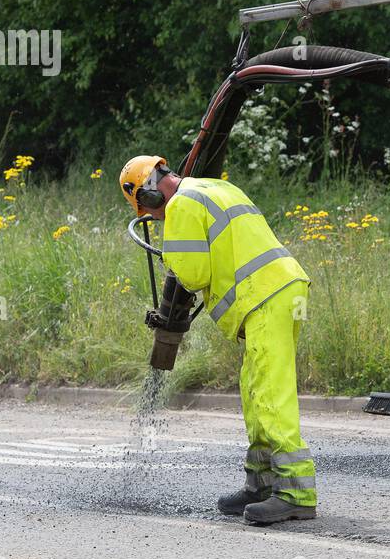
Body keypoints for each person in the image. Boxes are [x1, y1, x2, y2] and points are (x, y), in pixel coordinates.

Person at [119, 155, 316, 525]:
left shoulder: (181, 206)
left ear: (148, 195)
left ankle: (296, 493)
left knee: (271, 394)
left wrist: (171, 257)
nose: (154, 217)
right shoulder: (213, 186)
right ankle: (260, 482)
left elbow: (193, 275)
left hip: (266, 296)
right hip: (279, 290)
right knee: (255, 389)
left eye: (148, 210)